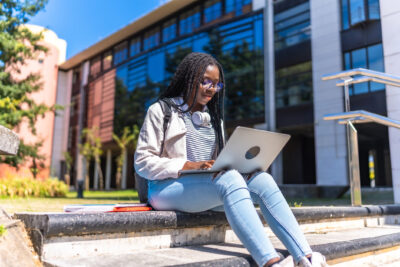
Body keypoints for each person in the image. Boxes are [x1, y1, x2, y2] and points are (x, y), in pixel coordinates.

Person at [134, 52, 327, 267]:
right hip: (165, 189)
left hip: (204, 190)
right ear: (188, 78)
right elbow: (142, 161)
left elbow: (218, 165)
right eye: (205, 81)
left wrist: (244, 169)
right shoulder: (162, 111)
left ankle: (305, 257)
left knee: (262, 180)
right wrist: (188, 165)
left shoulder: (214, 120)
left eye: (216, 85)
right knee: (230, 179)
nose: (211, 89)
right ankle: (270, 262)